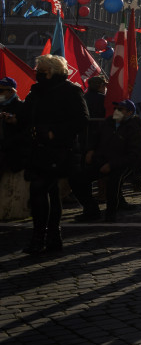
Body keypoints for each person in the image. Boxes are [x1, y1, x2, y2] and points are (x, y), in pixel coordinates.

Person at [19, 55, 89, 255]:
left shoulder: (71, 90)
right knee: (50, 193)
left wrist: (55, 132)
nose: (36, 71)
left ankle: (39, 237)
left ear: (49, 71)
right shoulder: (37, 91)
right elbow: (26, 114)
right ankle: (53, 237)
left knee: (39, 189)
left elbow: (82, 119)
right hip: (38, 149)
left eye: (39, 68)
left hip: (59, 150)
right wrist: (13, 117)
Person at [71, 99, 141, 222]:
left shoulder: (134, 129)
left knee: (113, 183)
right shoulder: (107, 123)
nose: (116, 111)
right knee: (77, 179)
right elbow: (95, 137)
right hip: (101, 161)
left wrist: (112, 164)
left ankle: (111, 213)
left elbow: (133, 155)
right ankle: (91, 209)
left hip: (122, 164)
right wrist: (91, 150)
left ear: (130, 112)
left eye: (121, 109)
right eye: (116, 109)